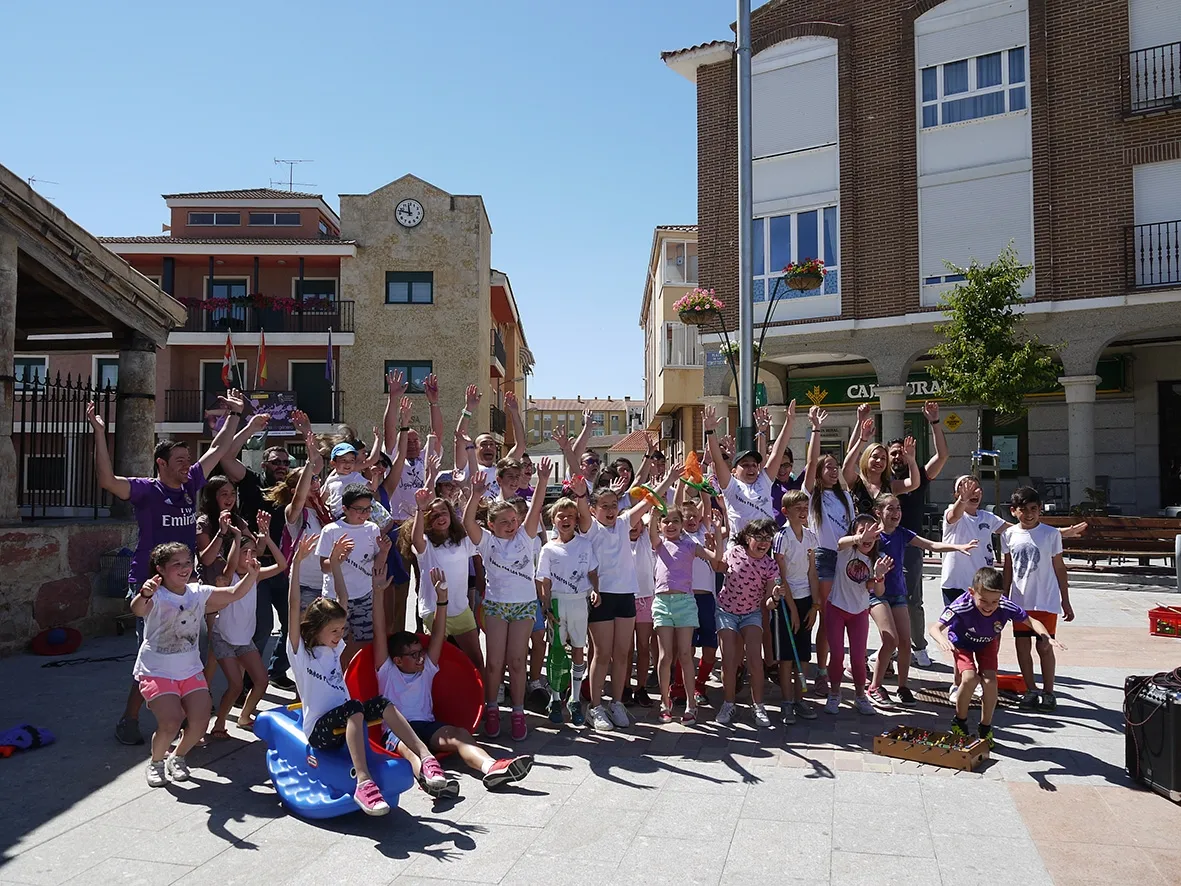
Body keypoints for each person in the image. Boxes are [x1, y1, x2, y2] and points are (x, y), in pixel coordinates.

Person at [88, 389, 247, 746]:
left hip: (186, 586)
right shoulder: (145, 490)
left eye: (186, 458)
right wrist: (100, 433)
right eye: (178, 459)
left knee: (190, 651)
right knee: (158, 656)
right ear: (160, 463)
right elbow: (107, 481)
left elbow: (217, 450)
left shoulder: (191, 483)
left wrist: (234, 415)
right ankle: (129, 719)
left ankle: (187, 720)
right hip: (150, 587)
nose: (185, 463)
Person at [286, 534, 450, 812]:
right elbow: (292, 607)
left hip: (349, 721)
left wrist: (337, 565)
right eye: (334, 631)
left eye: (341, 630)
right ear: (315, 629)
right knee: (353, 708)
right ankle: (363, 782)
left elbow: (343, 599)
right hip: (321, 731)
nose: (340, 636)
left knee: (383, 704)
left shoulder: (334, 649)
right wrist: (297, 564)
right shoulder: (301, 651)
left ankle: (425, 758)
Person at [373, 565, 532, 792]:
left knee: (460, 735)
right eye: (413, 654)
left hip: (426, 726)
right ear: (398, 660)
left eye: (421, 652)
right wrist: (378, 594)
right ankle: (430, 778)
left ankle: (491, 767)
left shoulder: (427, 668)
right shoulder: (386, 671)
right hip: (395, 732)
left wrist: (442, 600)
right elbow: (379, 632)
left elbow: (438, 634)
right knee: (411, 749)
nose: (421, 658)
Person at [132, 541, 260, 786]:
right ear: (160, 569)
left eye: (188, 563)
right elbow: (138, 610)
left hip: (190, 670)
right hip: (157, 670)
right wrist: (144, 593)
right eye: (176, 564)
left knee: (200, 722)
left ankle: (178, 757)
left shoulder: (198, 593)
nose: (184, 568)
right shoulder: (156, 594)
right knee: (171, 721)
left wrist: (251, 576)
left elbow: (233, 594)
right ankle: (156, 762)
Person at [573, 466, 679, 732]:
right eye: (604, 505)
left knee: (623, 654)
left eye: (613, 504)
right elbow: (582, 508)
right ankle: (595, 707)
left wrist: (669, 478)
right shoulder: (590, 528)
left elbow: (648, 501)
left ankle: (617, 703)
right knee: (602, 653)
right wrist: (582, 495)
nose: (609, 510)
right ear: (595, 509)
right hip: (600, 596)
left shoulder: (622, 522)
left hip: (625, 595)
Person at [218, 409, 310, 689]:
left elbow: (314, 466)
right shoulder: (251, 481)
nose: (281, 465)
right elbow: (225, 458)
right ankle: (248, 680)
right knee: (260, 627)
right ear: (265, 464)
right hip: (255, 567)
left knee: (294, 622)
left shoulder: (293, 488)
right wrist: (249, 429)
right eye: (276, 461)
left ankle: (276, 671)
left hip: (285, 565)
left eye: (285, 461)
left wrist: (307, 434)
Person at [463, 462, 552, 741]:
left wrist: (544, 478)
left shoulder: (526, 538)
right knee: (494, 663)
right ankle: (491, 709)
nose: (511, 526)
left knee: (516, 661)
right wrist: (475, 494)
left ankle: (517, 711)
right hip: (496, 606)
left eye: (514, 521)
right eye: (504, 522)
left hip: (524, 606)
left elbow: (536, 508)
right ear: (491, 525)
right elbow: (467, 523)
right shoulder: (487, 542)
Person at [866, 492, 978, 709]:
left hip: (898, 592)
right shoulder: (873, 536)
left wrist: (958, 547)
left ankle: (902, 686)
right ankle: (874, 687)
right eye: (890, 508)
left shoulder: (902, 533)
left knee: (906, 642)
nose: (896, 513)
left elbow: (932, 546)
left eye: (898, 508)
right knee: (890, 640)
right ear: (878, 512)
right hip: (877, 593)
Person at [930, 566, 1063, 747]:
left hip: (987, 642)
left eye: (994, 601)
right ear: (971, 592)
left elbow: (1032, 621)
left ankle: (985, 727)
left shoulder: (1005, 605)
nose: (989, 607)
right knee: (969, 678)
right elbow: (935, 628)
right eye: (983, 601)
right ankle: (960, 721)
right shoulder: (961, 605)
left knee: (990, 681)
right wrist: (942, 640)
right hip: (962, 643)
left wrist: (1046, 636)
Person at [209, 515, 289, 736]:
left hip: (244, 640)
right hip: (223, 638)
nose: (250, 556)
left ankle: (244, 716)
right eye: (245, 553)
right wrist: (236, 536)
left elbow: (282, 564)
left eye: (253, 552)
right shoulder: (228, 577)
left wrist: (268, 539)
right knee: (235, 685)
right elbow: (232, 564)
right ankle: (219, 724)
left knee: (262, 681)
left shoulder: (256, 575)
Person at [1002, 486, 1074, 712]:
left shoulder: (1051, 534)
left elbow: (1060, 567)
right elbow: (1008, 568)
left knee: (1044, 646)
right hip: (1020, 601)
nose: (1029, 513)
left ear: (1040, 510)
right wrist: (1003, 598)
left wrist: (1065, 599)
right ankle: (1031, 689)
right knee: (1022, 646)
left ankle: (1049, 692)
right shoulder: (1009, 535)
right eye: (1023, 509)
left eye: (1034, 508)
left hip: (1045, 600)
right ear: (1014, 511)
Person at [890, 402, 950, 669]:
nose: (897, 458)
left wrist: (935, 423)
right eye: (893, 453)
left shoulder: (920, 475)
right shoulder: (881, 481)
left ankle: (919, 646)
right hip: (885, 545)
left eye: (901, 453)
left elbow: (943, 456)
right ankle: (891, 647)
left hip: (912, 546)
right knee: (885, 598)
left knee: (913, 598)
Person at [383, 370, 444, 633]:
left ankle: (423, 631)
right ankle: (396, 633)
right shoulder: (394, 460)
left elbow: (437, 433)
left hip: (423, 526)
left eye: (415, 440)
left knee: (426, 583)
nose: (412, 443)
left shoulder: (426, 460)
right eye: (407, 439)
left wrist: (433, 403)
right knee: (399, 585)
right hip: (397, 527)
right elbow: (389, 430)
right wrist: (394, 399)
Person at [802, 405, 855, 697]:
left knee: (842, 615)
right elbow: (810, 464)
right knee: (823, 615)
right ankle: (820, 671)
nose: (834, 471)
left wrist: (860, 429)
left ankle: (837, 667)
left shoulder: (845, 495)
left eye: (836, 467)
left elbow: (851, 463)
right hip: (823, 558)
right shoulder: (813, 496)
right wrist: (816, 429)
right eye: (829, 467)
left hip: (847, 560)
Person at [536, 480, 598, 726]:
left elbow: (592, 573)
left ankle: (574, 699)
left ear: (576, 520)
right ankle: (554, 698)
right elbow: (544, 581)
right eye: (561, 516)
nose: (566, 519)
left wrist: (595, 590)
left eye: (571, 516)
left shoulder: (585, 544)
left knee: (579, 651)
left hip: (579, 602)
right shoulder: (548, 549)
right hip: (558, 605)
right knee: (556, 653)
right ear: (554, 520)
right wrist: (546, 606)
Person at [648, 505, 718, 725]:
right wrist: (651, 516)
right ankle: (664, 702)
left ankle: (691, 703)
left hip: (686, 603)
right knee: (665, 656)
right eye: (665, 521)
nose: (670, 525)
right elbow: (652, 533)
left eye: (675, 521)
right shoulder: (658, 544)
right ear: (660, 525)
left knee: (686, 654)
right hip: (662, 603)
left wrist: (716, 535)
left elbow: (716, 558)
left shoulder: (690, 545)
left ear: (681, 525)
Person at [403, 487, 484, 669]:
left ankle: (485, 697)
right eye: (434, 515)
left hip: (461, 610)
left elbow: (471, 524)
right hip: (434, 612)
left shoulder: (463, 541)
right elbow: (416, 540)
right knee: (435, 663)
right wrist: (420, 509)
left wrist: (474, 495)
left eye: (443, 512)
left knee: (476, 660)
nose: (440, 517)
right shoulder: (426, 544)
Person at [826, 515, 893, 716]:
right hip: (836, 608)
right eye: (862, 530)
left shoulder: (876, 558)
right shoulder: (847, 549)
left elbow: (877, 590)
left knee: (858, 657)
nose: (867, 535)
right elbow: (839, 542)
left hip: (859, 612)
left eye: (872, 531)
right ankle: (835, 693)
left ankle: (860, 696)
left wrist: (879, 576)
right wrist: (857, 538)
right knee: (837, 655)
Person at [714, 518, 778, 727]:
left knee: (754, 659)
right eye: (759, 537)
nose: (763, 542)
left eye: (767, 538)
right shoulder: (734, 552)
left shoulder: (770, 565)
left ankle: (758, 706)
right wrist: (715, 533)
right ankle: (728, 703)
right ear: (747, 538)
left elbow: (768, 604)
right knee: (729, 660)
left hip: (751, 613)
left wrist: (776, 597)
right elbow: (717, 565)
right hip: (726, 611)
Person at [703, 402, 796, 536]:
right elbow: (717, 459)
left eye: (754, 464)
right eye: (745, 465)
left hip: (765, 546)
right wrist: (710, 432)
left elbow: (778, 451)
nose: (751, 468)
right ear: (734, 471)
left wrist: (789, 421)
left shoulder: (764, 481)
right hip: (739, 549)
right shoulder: (731, 486)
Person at [315, 483, 382, 667]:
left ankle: (355, 675)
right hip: (335, 599)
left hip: (364, 595)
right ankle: (338, 673)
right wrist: (338, 559)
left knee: (364, 640)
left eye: (368, 509)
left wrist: (384, 552)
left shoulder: (372, 529)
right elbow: (324, 566)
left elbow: (377, 563)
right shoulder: (331, 530)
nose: (364, 514)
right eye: (359, 509)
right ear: (344, 508)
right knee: (334, 642)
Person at [771, 489, 820, 724]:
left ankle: (801, 699)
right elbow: (781, 576)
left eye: (805, 508)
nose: (803, 512)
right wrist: (791, 609)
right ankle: (787, 702)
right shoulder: (782, 537)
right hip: (785, 602)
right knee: (787, 657)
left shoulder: (810, 537)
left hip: (806, 599)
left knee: (803, 654)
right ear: (785, 512)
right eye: (797, 509)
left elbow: (812, 571)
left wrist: (815, 604)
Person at [323, 438, 383, 518]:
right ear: (333, 463)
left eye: (351, 460)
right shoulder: (330, 480)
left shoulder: (355, 476)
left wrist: (375, 476)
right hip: (335, 518)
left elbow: (373, 487)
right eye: (343, 460)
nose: (348, 464)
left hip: (351, 517)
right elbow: (322, 499)